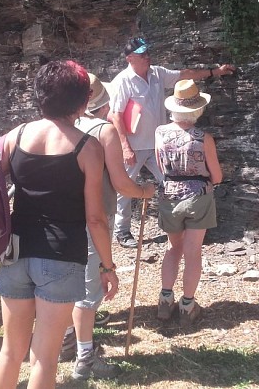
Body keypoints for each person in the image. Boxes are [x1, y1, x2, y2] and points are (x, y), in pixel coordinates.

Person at [0, 61, 119, 388]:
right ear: (82, 101)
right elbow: (95, 218)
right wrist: (107, 265)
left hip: (16, 251)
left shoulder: (14, 136)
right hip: (61, 256)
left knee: (9, 352)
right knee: (44, 359)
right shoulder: (88, 148)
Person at [61, 74, 155, 380]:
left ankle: (66, 338)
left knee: (65, 284)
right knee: (88, 293)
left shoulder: (60, 126)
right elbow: (121, 183)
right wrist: (145, 191)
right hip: (93, 218)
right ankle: (84, 358)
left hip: (60, 219)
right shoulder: (104, 131)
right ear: (103, 102)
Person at [109, 37, 235, 248]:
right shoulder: (122, 81)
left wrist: (215, 72)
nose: (148, 57)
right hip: (134, 145)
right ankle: (122, 232)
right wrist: (124, 146)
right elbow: (115, 115)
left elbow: (185, 75)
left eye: (148, 53)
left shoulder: (157, 73)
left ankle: (184, 224)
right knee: (126, 187)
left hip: (159, 145)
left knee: (170, 182)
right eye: (142, 55)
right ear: (130, 58)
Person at [154, 80, 223, 326]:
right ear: (198, 108)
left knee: (173, 248)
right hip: (198, 197)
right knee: (193, 253)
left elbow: (161, 167)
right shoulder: (204, 138)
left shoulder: (160, 133)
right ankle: (187, 305)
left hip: (169, 196)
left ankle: (164, 300)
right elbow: (216, 176)